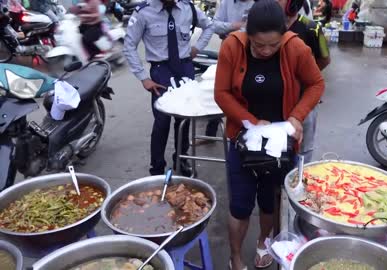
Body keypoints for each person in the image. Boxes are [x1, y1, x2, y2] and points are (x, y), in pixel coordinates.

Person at [214, 0, 324, 268]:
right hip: (243, 139)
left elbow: (315, 83)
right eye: (258, 44)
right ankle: (236, 256)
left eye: (272, 45)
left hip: (280, 143)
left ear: (284, 34)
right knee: (239, 205)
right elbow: (222, 93)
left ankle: (264, 242)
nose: (265, 51)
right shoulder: (232, 46)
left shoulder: (296, 47)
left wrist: (297, 116)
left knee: (269, 201)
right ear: (247, 35)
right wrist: (252, 122)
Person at [123, 0, 214, 176]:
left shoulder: (189, 8)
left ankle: (182, 158)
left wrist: (197, 47)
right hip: (161, 71)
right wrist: (143, 78)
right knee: (162, 121)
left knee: (185, 119)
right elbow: (129, 46)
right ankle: (156, 167)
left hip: (185, 68)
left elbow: (209, 26)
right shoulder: (143, 12)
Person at [277, 0, 330, 163]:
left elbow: (325, 59)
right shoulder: (266, 27)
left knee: (303, 148)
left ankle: (298, 181)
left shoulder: (312, 28)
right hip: (276, 102)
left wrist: (304, 77)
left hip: (305, 102)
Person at [202, 0, 254, 141]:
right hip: (228, 55)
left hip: (253, 56)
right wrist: (235, 26)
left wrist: (230, 32)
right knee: (221, 91)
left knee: (246, 93)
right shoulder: (226, 3)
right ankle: (210, 135)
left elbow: (258, 29)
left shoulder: (260, 3)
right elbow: (215, 26)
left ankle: (247, 133)